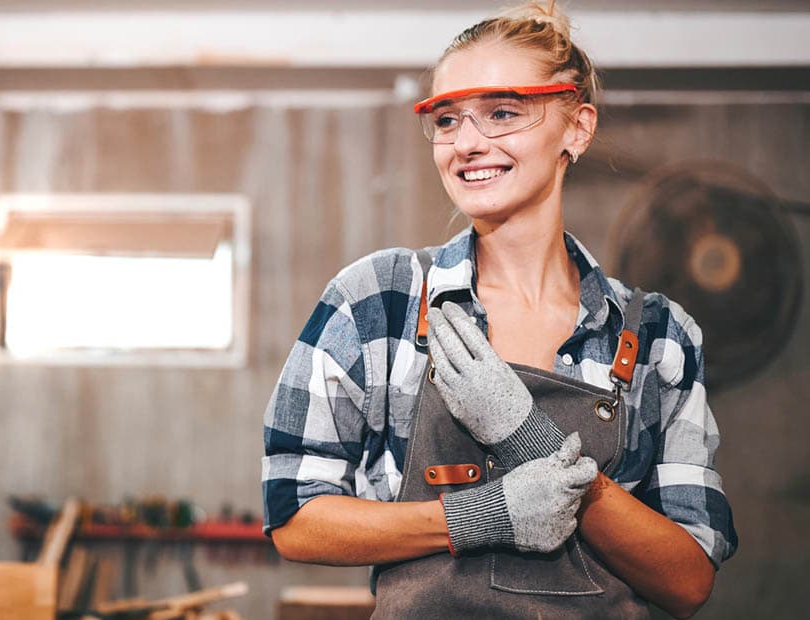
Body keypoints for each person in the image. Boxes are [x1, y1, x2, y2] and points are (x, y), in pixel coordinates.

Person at [262, 2, 737, 618]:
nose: (467, 143)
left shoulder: (656, 337)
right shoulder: (381, 302)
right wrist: (483, 516)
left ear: (577, 128)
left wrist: (528, 440)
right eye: (448, 119)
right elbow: (295, 517)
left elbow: (688, 580)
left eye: (503, 113)